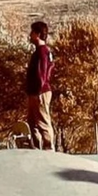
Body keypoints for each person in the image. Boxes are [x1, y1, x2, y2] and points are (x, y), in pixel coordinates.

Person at [25, 21, 56, 151]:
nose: (30, 35)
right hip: (35, 92)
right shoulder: (41, 51)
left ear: (37, 34)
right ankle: (36, 149)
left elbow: (42, 74)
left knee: (43, 121)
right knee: (32, 123)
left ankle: (49, 148)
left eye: (32, 32)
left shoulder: (42, 52)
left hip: (40, 92)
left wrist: (38, 90)